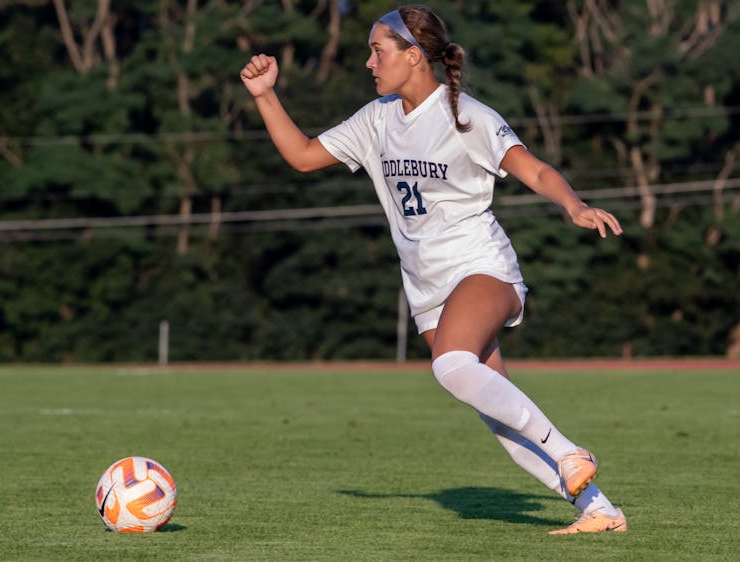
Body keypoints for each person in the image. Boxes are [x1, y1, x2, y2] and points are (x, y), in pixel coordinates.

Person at [240, 5, 627, 535]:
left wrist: (573, 204)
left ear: (413, 55)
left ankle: (568, 452)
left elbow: (532, 166)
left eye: (379, 50)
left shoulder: (468, 116)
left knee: (450, 366)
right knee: (499, 416)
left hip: (480, 266)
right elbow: (304, 156)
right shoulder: (377, 119)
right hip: (425, 287)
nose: (369, 62)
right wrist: (265, 96)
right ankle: (600, 510)